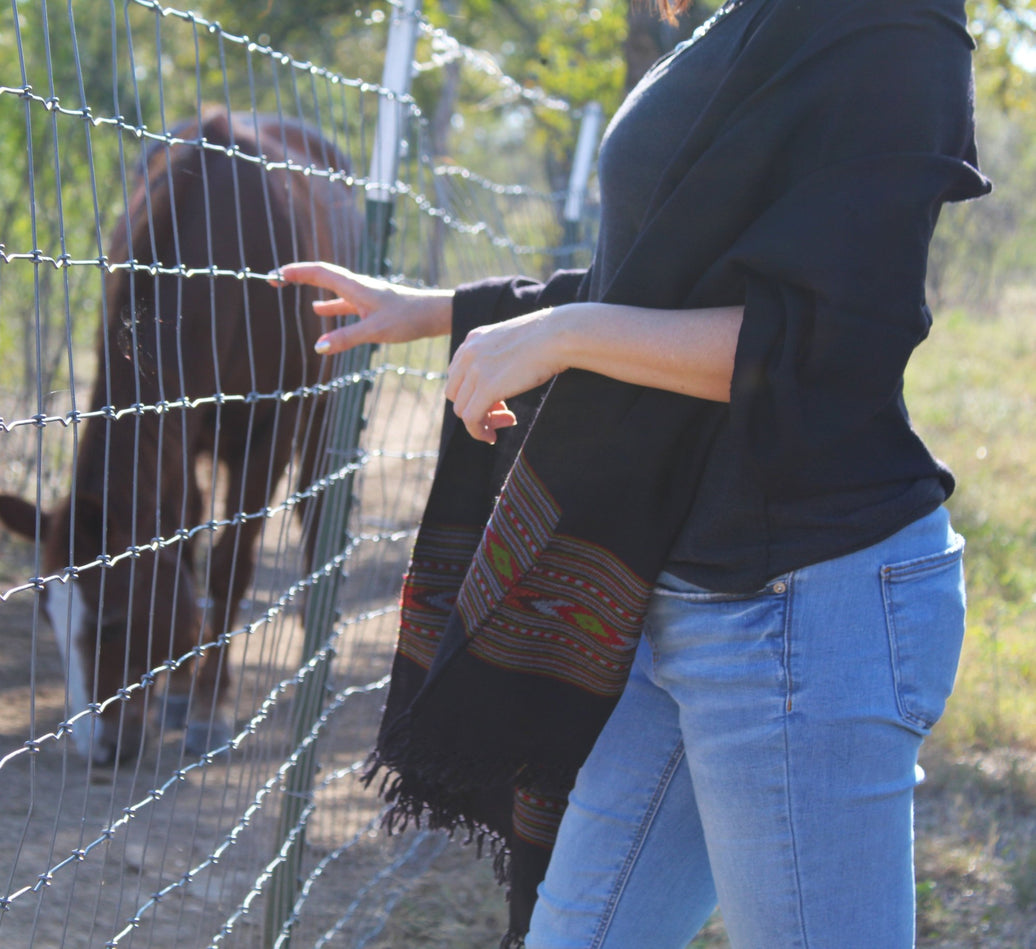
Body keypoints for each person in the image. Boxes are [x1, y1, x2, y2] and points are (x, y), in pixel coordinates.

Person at [274, 0, 991, 945]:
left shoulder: (886, 25)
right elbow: (659, 285)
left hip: (807, 612)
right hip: (673, 593)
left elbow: (830, 350)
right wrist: (441, 310)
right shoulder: (737, 22)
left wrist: (560, 334)